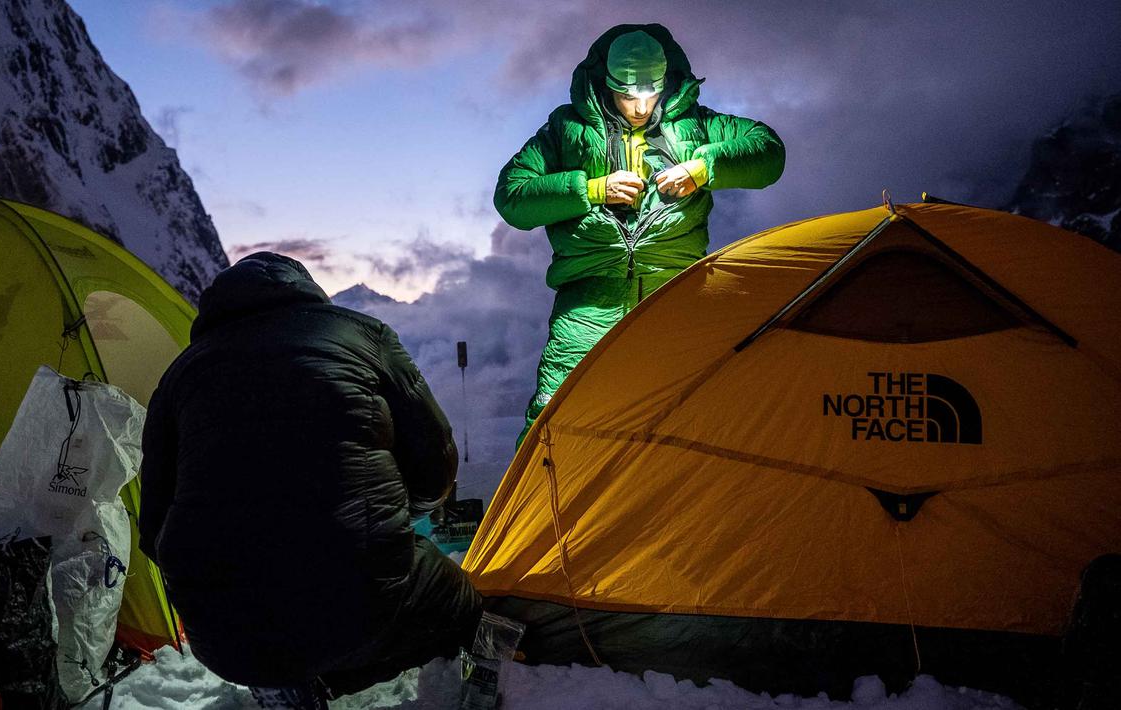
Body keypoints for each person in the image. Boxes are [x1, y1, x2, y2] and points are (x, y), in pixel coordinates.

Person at [138, 253, 482, 709]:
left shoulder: (179, 375)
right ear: (307, 292)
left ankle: (291, 677)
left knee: (302, 615)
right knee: (458, 602)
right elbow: (435, 462)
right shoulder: (364, 336)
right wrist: (399, 515)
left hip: (222, 633)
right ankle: (435, 685)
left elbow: (153, 527)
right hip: (359, 598)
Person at [495, 24, 785, 443]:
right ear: (607, 85)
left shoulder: (697, 124)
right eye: (628, 96)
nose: (640, 106)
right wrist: (593, 189)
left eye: (650, 94)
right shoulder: (565, 129)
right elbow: (512, 195)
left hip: (676, 295)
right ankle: (539, 509)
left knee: (690, 416)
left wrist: (701, 169)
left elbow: (769, 152)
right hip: (589, 304)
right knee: (555, 421)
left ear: (665, 83)